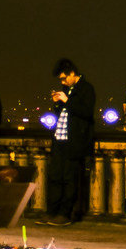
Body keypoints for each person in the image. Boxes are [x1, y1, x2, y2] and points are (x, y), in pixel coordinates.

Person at [40, 58, 96, 226]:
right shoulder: (67, 89)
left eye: (64, 78)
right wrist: (57, 104)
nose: (63, 81)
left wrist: (67, 100)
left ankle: (65, 214)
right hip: (60, 139)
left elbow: (86, 112)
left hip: (74, 142)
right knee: (55, 177)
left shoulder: (86, 89)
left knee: (69, 178)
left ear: (73, 74)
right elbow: (62, 114)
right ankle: (52, 212)